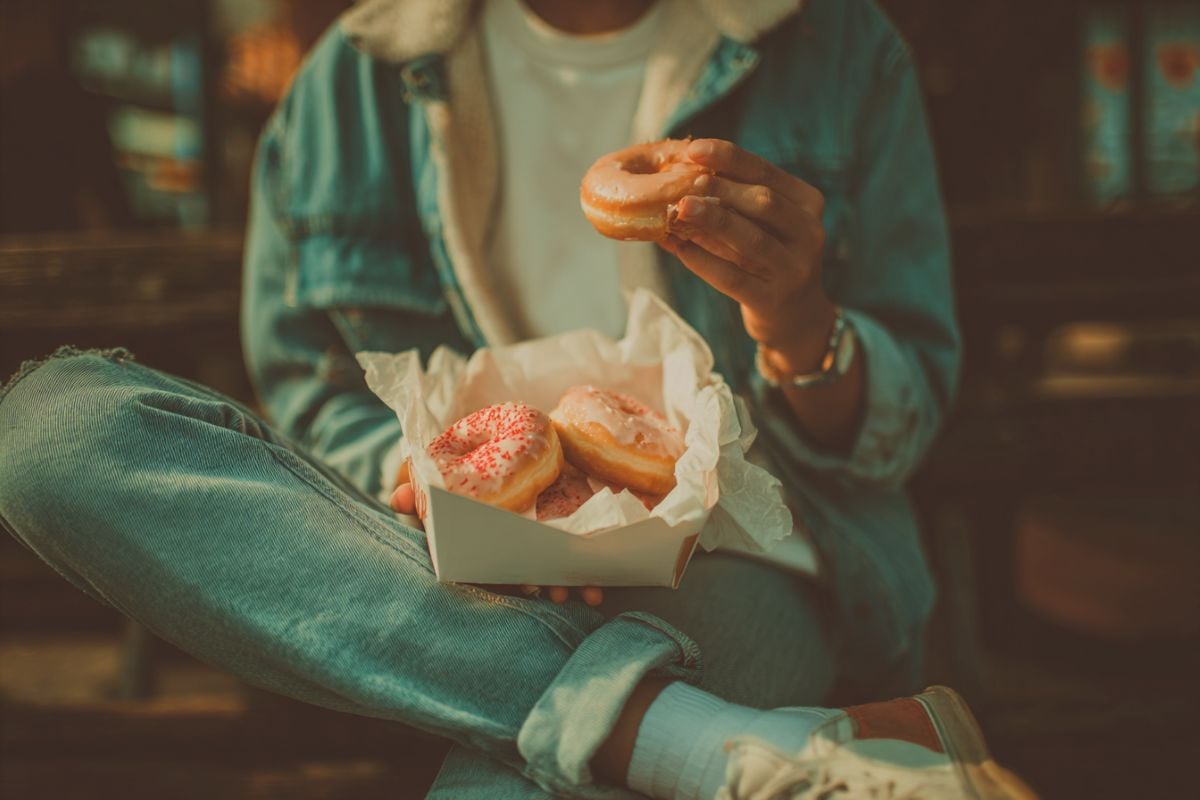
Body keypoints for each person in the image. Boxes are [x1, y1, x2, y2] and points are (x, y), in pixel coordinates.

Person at [0, 1, 1033, 797]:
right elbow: (317, 398)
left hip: (731, 551)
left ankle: (698, 741)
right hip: (437, 568)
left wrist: (800, 317)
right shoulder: (352, 83)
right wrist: (429, 481)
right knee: (51, 435)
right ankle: (710, 741)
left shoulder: (836, 49)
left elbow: (908, 403)